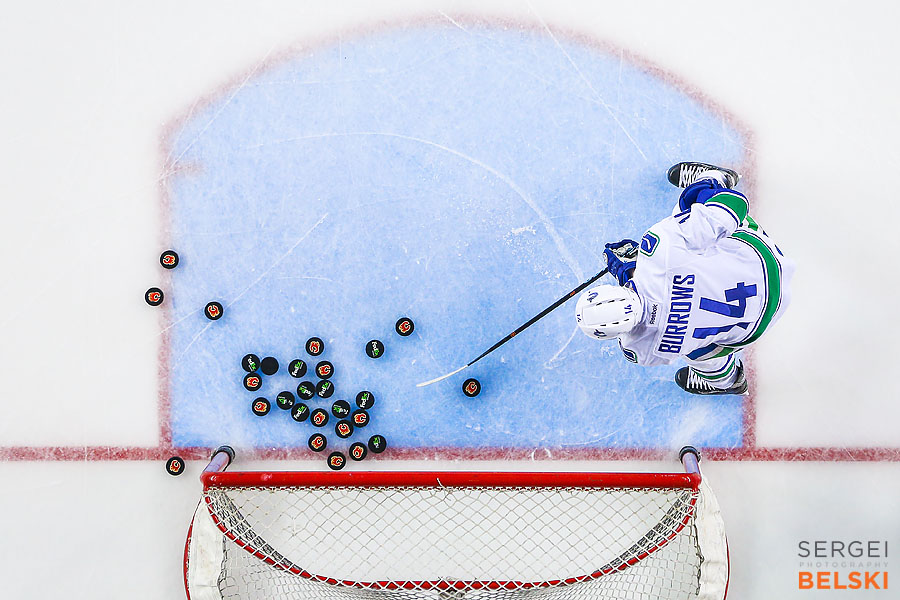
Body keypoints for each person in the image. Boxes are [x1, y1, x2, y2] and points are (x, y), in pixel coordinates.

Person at [575, 162, 794, 395]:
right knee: (686, 214)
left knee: (695, 351)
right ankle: (717, 177)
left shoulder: (640, 351)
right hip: (765, 262)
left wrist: (631, 271)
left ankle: (728, 381)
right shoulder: (661, 248)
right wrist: (633, 266)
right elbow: (736, 204)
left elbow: (660, 308)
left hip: (758, 323)